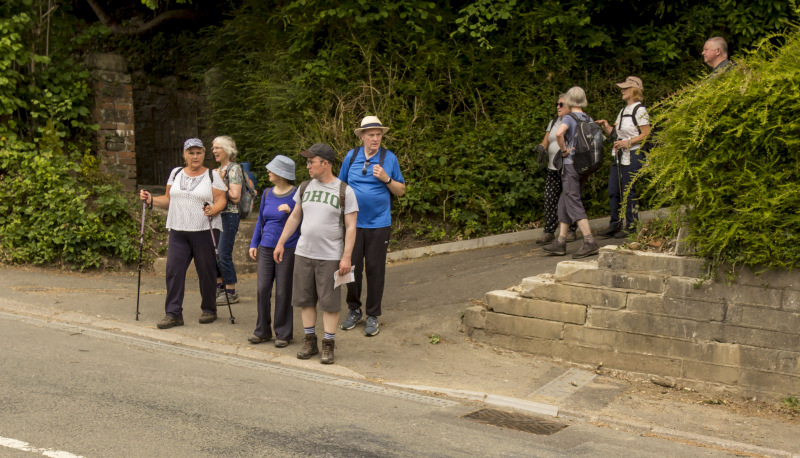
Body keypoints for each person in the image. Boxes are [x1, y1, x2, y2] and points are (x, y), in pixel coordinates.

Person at [274, 143, 358, 364]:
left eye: (311, 161)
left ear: (326, 163)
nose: (308, 165)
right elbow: (294, 217)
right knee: (305, 299)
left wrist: (346, 256)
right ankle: (309, 340)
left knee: (329, 303)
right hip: (304, 253)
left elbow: (351, 226)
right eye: (307, 161)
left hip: (331, 256)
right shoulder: (304, 187)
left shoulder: (344, 191)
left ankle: (328, 345)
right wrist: (281, 242)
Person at [139, 138, 227, 329]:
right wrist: (151, 200)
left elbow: (221, 200)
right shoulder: (176, 173)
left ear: (204, 154)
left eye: (198, 153)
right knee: (173, 271)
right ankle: (173, 314)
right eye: (191, 153)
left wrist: (213, 209)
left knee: (206, 271)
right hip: (178, 229)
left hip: (204, 229)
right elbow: (168, 199)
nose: (195, 156)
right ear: (184, 154)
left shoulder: (213, 175)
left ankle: (209, 309)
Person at [338, 116, 406, 336]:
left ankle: (373, 316)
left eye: (378, 134)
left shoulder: (389, 158)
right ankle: (354, 310)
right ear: (362, 137)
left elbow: (401, 190)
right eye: (371, 135)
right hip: (353, 224)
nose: (375, 138)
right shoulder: (352, 155)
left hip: (379, 224)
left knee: (376, 270)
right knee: (352, 268)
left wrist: (386, 179)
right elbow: (341, 186)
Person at [248, 155, 300, 348]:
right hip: (266, 247)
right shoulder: (267, 193)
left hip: (287, 249)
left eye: (272, 169)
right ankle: (262, 331)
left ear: (282, 173)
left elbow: (301, 224)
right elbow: (260, 221)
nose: (268, 171)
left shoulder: (296, 195)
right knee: (262, 289)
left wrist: (289, 213)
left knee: (283, 291)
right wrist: (254, 243)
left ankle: (284, 333)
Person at [541, 86, 600, 259]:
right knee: (565, 201)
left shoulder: (569, 117)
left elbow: (559, 133)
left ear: (570, 100)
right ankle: (560, 241)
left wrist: (564, 150)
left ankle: (589, 241)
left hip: (571, 166)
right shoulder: (587, 117)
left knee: (572, 200)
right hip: (584, 166)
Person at [597, 76, 651, 239]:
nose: (622, 90)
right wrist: (606, 126)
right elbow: (614, 134)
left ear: (634, 90)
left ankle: (632, 226)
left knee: (628, 191)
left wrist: (629, 142)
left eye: (625, 88)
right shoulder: (622, 111)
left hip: (634, 155)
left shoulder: (640, 110)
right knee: (614, 190)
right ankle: (615, 225)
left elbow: (646, 134)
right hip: (619, 156)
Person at [536, 95, 578, 245]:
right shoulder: (554, 122)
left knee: (569, 198)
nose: (558, 106)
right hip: (553, 168)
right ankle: (549, 231)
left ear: (570, 106)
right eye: (557, 104)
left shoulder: (574, 121)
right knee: (550, 198)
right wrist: (542, 148)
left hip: (568, 167)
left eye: (561, 104)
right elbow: (546, 141)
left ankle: (571, 231)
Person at [211, 136, 243, 305]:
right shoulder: (218, 169)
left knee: (223, 252)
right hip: (216, 215)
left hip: (229, 215)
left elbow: (235, 197)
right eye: (213, 148)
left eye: (217, 148)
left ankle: (231, 291)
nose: (214, 151)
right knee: (214, 253)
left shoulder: (234, 169)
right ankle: (219, 289)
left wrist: (219, 181)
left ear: (227, 150)